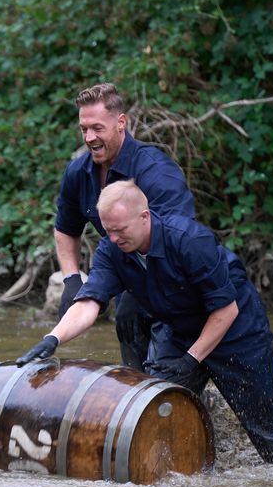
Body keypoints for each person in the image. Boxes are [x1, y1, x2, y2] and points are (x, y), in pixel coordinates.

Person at [19, 181, 273, 464]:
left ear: (145, 217)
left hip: (237, 333)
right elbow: (89, 303)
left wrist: (191, 360)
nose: (115, 239)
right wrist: (53, 339)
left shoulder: (189, 241)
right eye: (108, 231)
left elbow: (226, 311)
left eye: (120, 230)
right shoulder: (111, 250)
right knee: (152, 408)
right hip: (179, 330)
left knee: (267, 433)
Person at [53, 82, 196, 368]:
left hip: (176, 290)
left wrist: (136, 292)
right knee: (134, 381)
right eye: (83, 129)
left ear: (121, 123)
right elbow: (66, 229)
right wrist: (71, 279)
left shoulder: (156, 171)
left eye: (97, 128)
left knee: (167, 381)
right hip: (129, 291)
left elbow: (177, 241)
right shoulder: (78, 173)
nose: (89, 137)